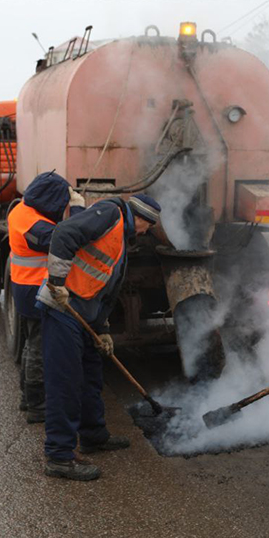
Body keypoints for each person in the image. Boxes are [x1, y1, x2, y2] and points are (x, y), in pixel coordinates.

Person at [37, 193, 162, 481]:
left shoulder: (122, 238)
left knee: (92, 376)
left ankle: (93, 435)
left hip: (86, 316)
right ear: (141, 218)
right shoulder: (109, 215)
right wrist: (57, 282)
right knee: (65, 384)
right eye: (148, 227)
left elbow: (105, 289)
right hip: (63, 309)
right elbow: (64, 233)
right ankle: (59, 456)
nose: (145, 234)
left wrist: (103, 329)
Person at [7, 172, 85, 424]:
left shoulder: (23, 210)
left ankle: (25, 398)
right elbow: (66, 240)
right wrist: (76, 212)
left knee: (31, 344)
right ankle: (37, 405)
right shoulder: (34, 225)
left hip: (25, 286)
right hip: (34, 288)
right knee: (39, 348)